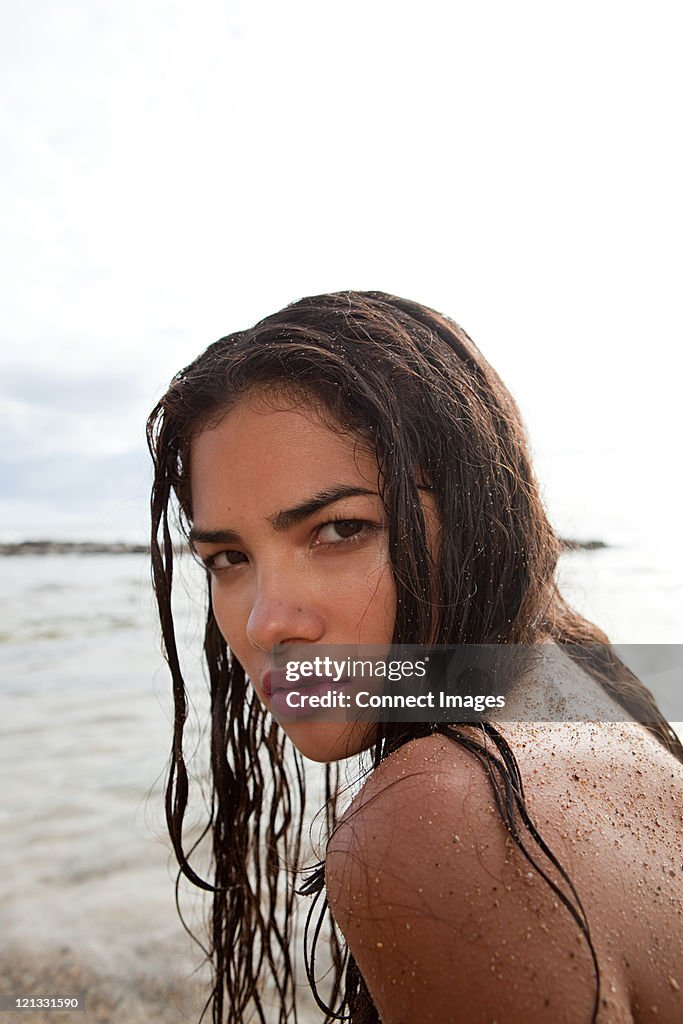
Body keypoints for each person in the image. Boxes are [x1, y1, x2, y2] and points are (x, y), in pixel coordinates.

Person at [147, 291, 683, 1024]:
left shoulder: (440, 819)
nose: (267, 620)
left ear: (473, 516)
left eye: (339, 530)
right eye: (229, 557)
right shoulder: (591, 689)